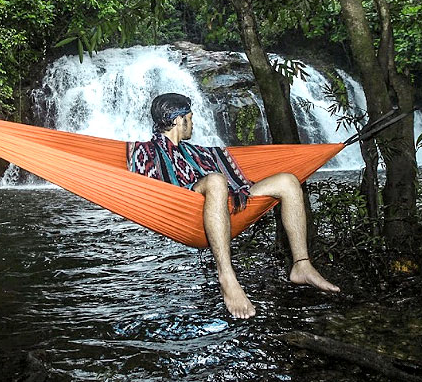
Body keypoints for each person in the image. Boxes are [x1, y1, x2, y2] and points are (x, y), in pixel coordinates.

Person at [127, 93, 339, 319]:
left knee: (288, 181)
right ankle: (227, 277)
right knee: (216, 180)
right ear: (179, 121)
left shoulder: (196, 152)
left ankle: (302, 265)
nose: (193, 123)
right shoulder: (145, 151)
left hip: (221, 206)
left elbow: (234, 177)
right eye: (190, 117)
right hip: (183, 209)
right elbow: (147, 189)